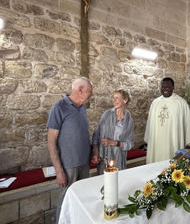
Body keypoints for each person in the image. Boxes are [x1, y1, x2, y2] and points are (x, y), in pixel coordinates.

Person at [47, 77, 94, 223]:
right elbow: (51, 142)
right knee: (66, 201)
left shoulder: (83, 107)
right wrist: (59, 171)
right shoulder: (59, 107)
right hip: (69, 166)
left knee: (83, 199)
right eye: (90, 92)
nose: (91, 95)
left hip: (84, 163)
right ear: (80, 90)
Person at [145, 77, 190, 164]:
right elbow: (150, 124)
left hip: (173, 141)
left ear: (173, 87)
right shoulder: (155, 103)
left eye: (167, 87)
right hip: (157, 142)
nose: (165, 89)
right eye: (162, 87)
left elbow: (188, 123)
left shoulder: (181, 103)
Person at [91, 89, 134, 174]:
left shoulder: (129, 121)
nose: (113, 100)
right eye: (113, 98)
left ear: (125, 100)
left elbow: (130, 144)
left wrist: (115, 143)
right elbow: (96, 133)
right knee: (102, 182)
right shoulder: (107, 114)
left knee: (117, 183)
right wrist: (95, 151)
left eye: (117, 98)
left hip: (119, 158)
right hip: (104, 156)